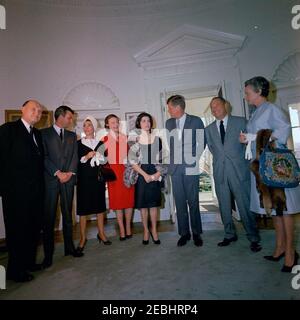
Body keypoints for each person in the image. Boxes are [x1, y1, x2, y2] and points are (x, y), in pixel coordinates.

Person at [240, 76, 300, 272]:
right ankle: (280, 247)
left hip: (276, 167)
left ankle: (290, 252)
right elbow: (259, 136)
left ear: (259, 92)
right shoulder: (258, 111)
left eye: (248, 92)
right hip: (262, 166)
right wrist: (249, 139)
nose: (246, 95)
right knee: (274, 209)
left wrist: (255, 137)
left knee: (285, 208)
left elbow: (283, 131)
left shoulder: (272, 109)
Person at [205, 97, 261, 252]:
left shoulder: (241, 121)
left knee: (244, 204)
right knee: (224, 205)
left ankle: (253, 237)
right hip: (220, 172)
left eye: (216, 105)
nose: (214, 109)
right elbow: (212, 148)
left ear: (226, 105)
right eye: (212, 107)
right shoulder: (208, 129)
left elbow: (251, 144)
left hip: (239, 170)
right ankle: (229, 234)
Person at [0, 100, 44, 282]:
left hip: (35, 193)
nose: (37, 113)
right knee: (18, 232)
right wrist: (5, 189)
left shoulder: (37, 134)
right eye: (33, 109)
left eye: (40, 111)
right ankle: (14, 271)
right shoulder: (8, 129)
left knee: (33, 229)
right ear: (22, 110)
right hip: (15, 193)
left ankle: (28, 263)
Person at [41, 105, 83, 269]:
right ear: (60, 116)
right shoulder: (43, 134)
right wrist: (57, 173)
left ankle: (69, 248)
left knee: (68, 216)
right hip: (51, 181)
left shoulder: (73, 136)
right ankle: (48, 256)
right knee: (49, 218)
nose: (71, 120)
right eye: (69, 117)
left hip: (68, 180)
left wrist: (70, 173)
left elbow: (74, 157)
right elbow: (43, 157)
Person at [165, 95, 205, 247]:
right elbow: (172, 145)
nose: (168, 111)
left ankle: (196, 233)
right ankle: (184, 233)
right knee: (180, 202)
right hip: (175, 169)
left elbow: (202, 142)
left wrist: (194, 159)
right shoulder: (169, 123)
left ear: (177, 108)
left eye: (170, 108)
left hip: (191, 167)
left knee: (193, 202)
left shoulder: (196, 121)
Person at [130, 112, 167, 245]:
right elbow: (132, 163)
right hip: (141, 175)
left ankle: (154, 231)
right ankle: (146, 230)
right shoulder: (135, 141)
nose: (147, 123)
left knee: (153, 205)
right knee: (144, 206)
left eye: (148, 121)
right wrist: (145, 175)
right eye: (144, 121)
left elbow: (163, 160)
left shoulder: (158, 140)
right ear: (139, 124)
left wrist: (157, 175)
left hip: (155, 173)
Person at [76, 116, 111, 252]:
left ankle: (101, 234)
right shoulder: (78, 144)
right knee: (83, 210)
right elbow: (76, 162)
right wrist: (87, 157)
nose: (86, 128)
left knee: (100, 207)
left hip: (97, 180)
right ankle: (83, 238)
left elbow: (105, 162)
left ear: (94, 127)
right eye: (84, 125)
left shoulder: (101, 144)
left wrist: (99, 157)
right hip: (84, 180)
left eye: (89, 125)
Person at [102, 114, 135, 240]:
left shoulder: (125, 138)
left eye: (116, 122)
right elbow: (100, 159)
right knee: (118, 203)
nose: (115, 124)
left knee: (128, 202)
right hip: (114, 176)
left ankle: (128, 227)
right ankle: (121, 229)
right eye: (112, 123)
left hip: (126, 174)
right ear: (107, 125)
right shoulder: (104, 140)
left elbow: (133, 156)